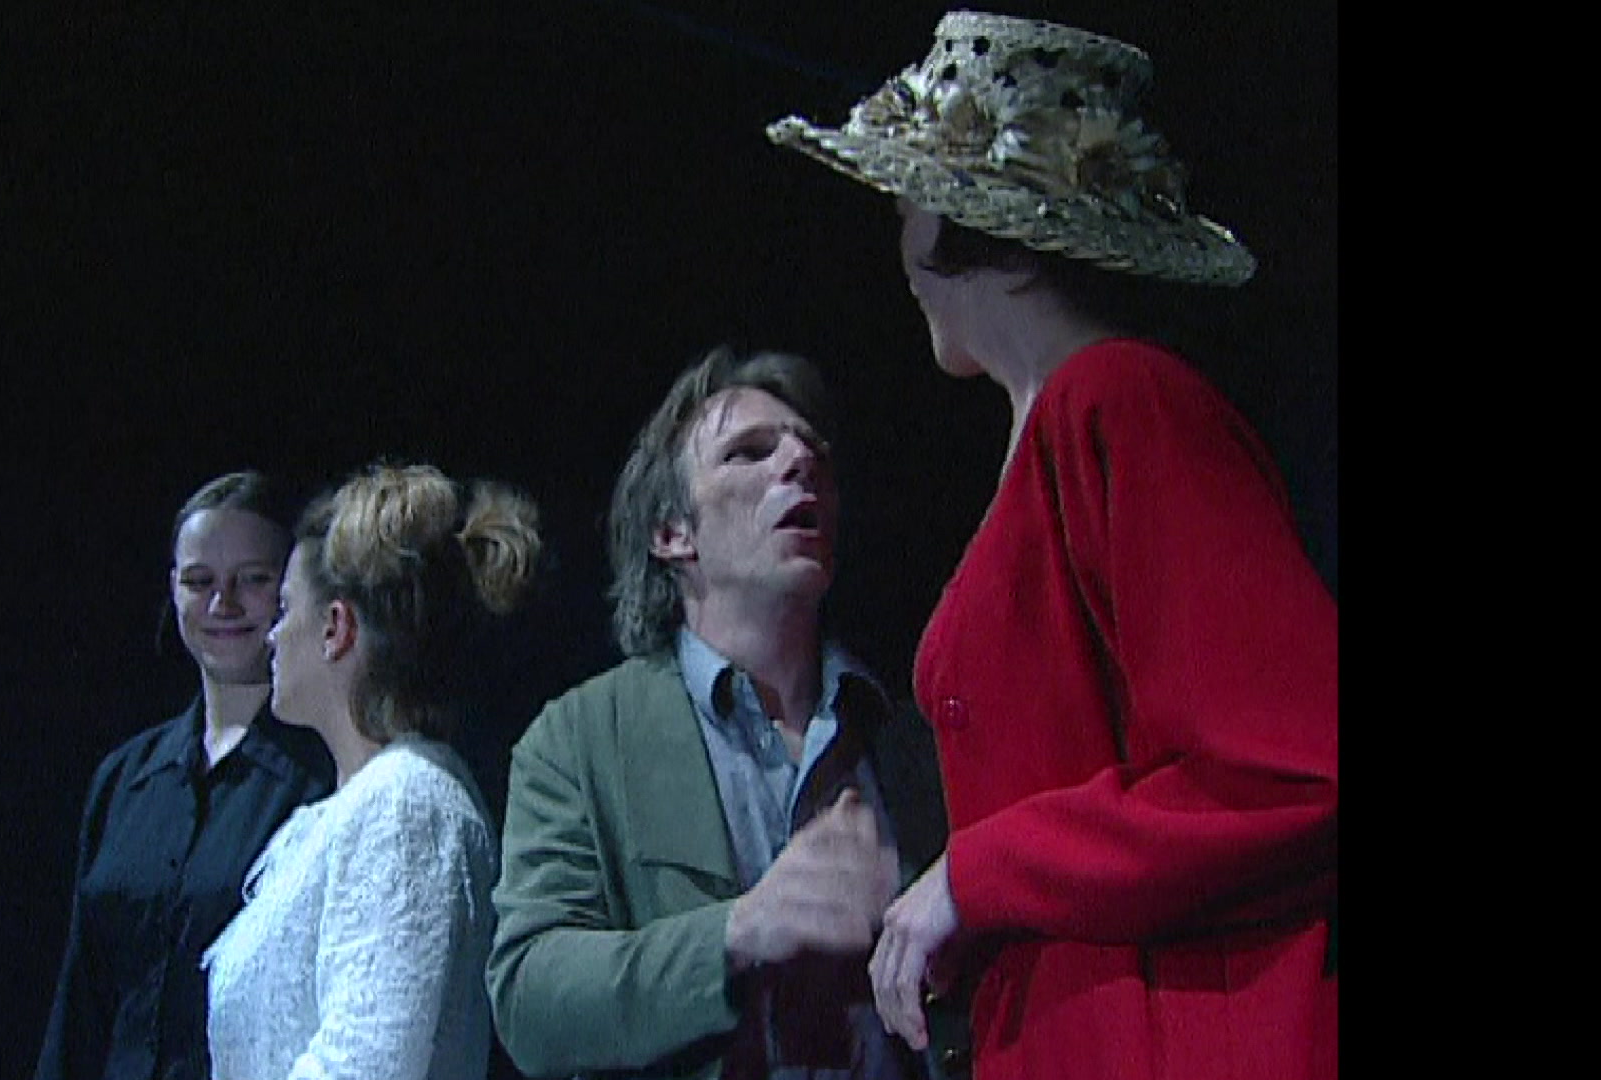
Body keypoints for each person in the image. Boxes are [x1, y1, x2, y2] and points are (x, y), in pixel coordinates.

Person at [766, 10, 1338, 1080]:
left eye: (906, 196)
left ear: (965, 222)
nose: (899, 235)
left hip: (1166, 1035)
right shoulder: (1047, 438)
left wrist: (978, 876)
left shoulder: (1121, 403)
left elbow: (1293, 767)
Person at [487, 346, 953, 1080]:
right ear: (672, 533)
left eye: (813, 450)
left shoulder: (908, 737)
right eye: (750, 452)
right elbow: (529, 1002)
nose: (801, 462)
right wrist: (736, 932)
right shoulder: (577, 740)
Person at [202, 462, 540, 1080]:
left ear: (336, 628)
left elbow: (364, 1063)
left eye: (285, 609)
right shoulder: (350, 811)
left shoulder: (405, 805)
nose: (272, 636)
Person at [36, 470, 339, 1080]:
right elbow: (82, 1006)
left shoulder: (324, 776)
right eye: (200, 582)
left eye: (252, 580)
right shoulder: (125, 778)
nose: (223, 603)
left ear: (291, 590)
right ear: (172, 588)